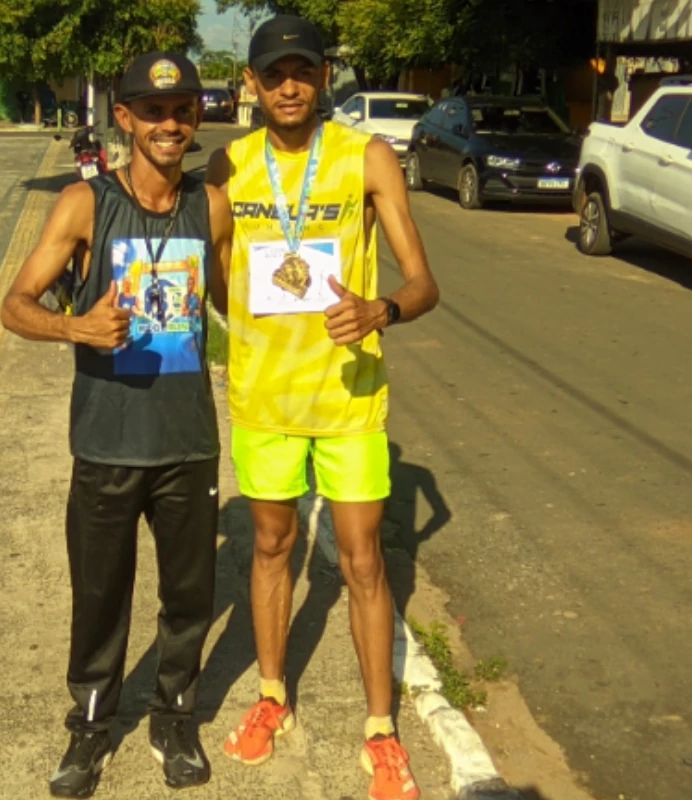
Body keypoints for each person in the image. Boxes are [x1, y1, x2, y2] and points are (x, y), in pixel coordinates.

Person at [205, 14, 439, 800]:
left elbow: (423, 282)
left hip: (348, 400)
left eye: (301, 70)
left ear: (323, 73)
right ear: (252, 84)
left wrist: (382, 311)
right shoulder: (228, 164)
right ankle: (273, 695)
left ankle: (380, 730)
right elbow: (210, 272)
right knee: (272, 549)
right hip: (264, 398)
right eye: (273, 75)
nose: (289, 86)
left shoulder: (365, 157)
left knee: (365, 563)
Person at [1, 50, 233, 799]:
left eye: (181, 110)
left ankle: (175, 718)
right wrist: (77, 329)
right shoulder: (85, 204)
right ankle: (92, 727)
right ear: (125, 118)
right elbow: (16, 305)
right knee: (100, 596)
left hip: (188, 442)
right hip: (105, 441)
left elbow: (237, 303)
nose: (169, 124)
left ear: (196, 118)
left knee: (189, 598)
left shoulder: (213, 205)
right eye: (152, 111)